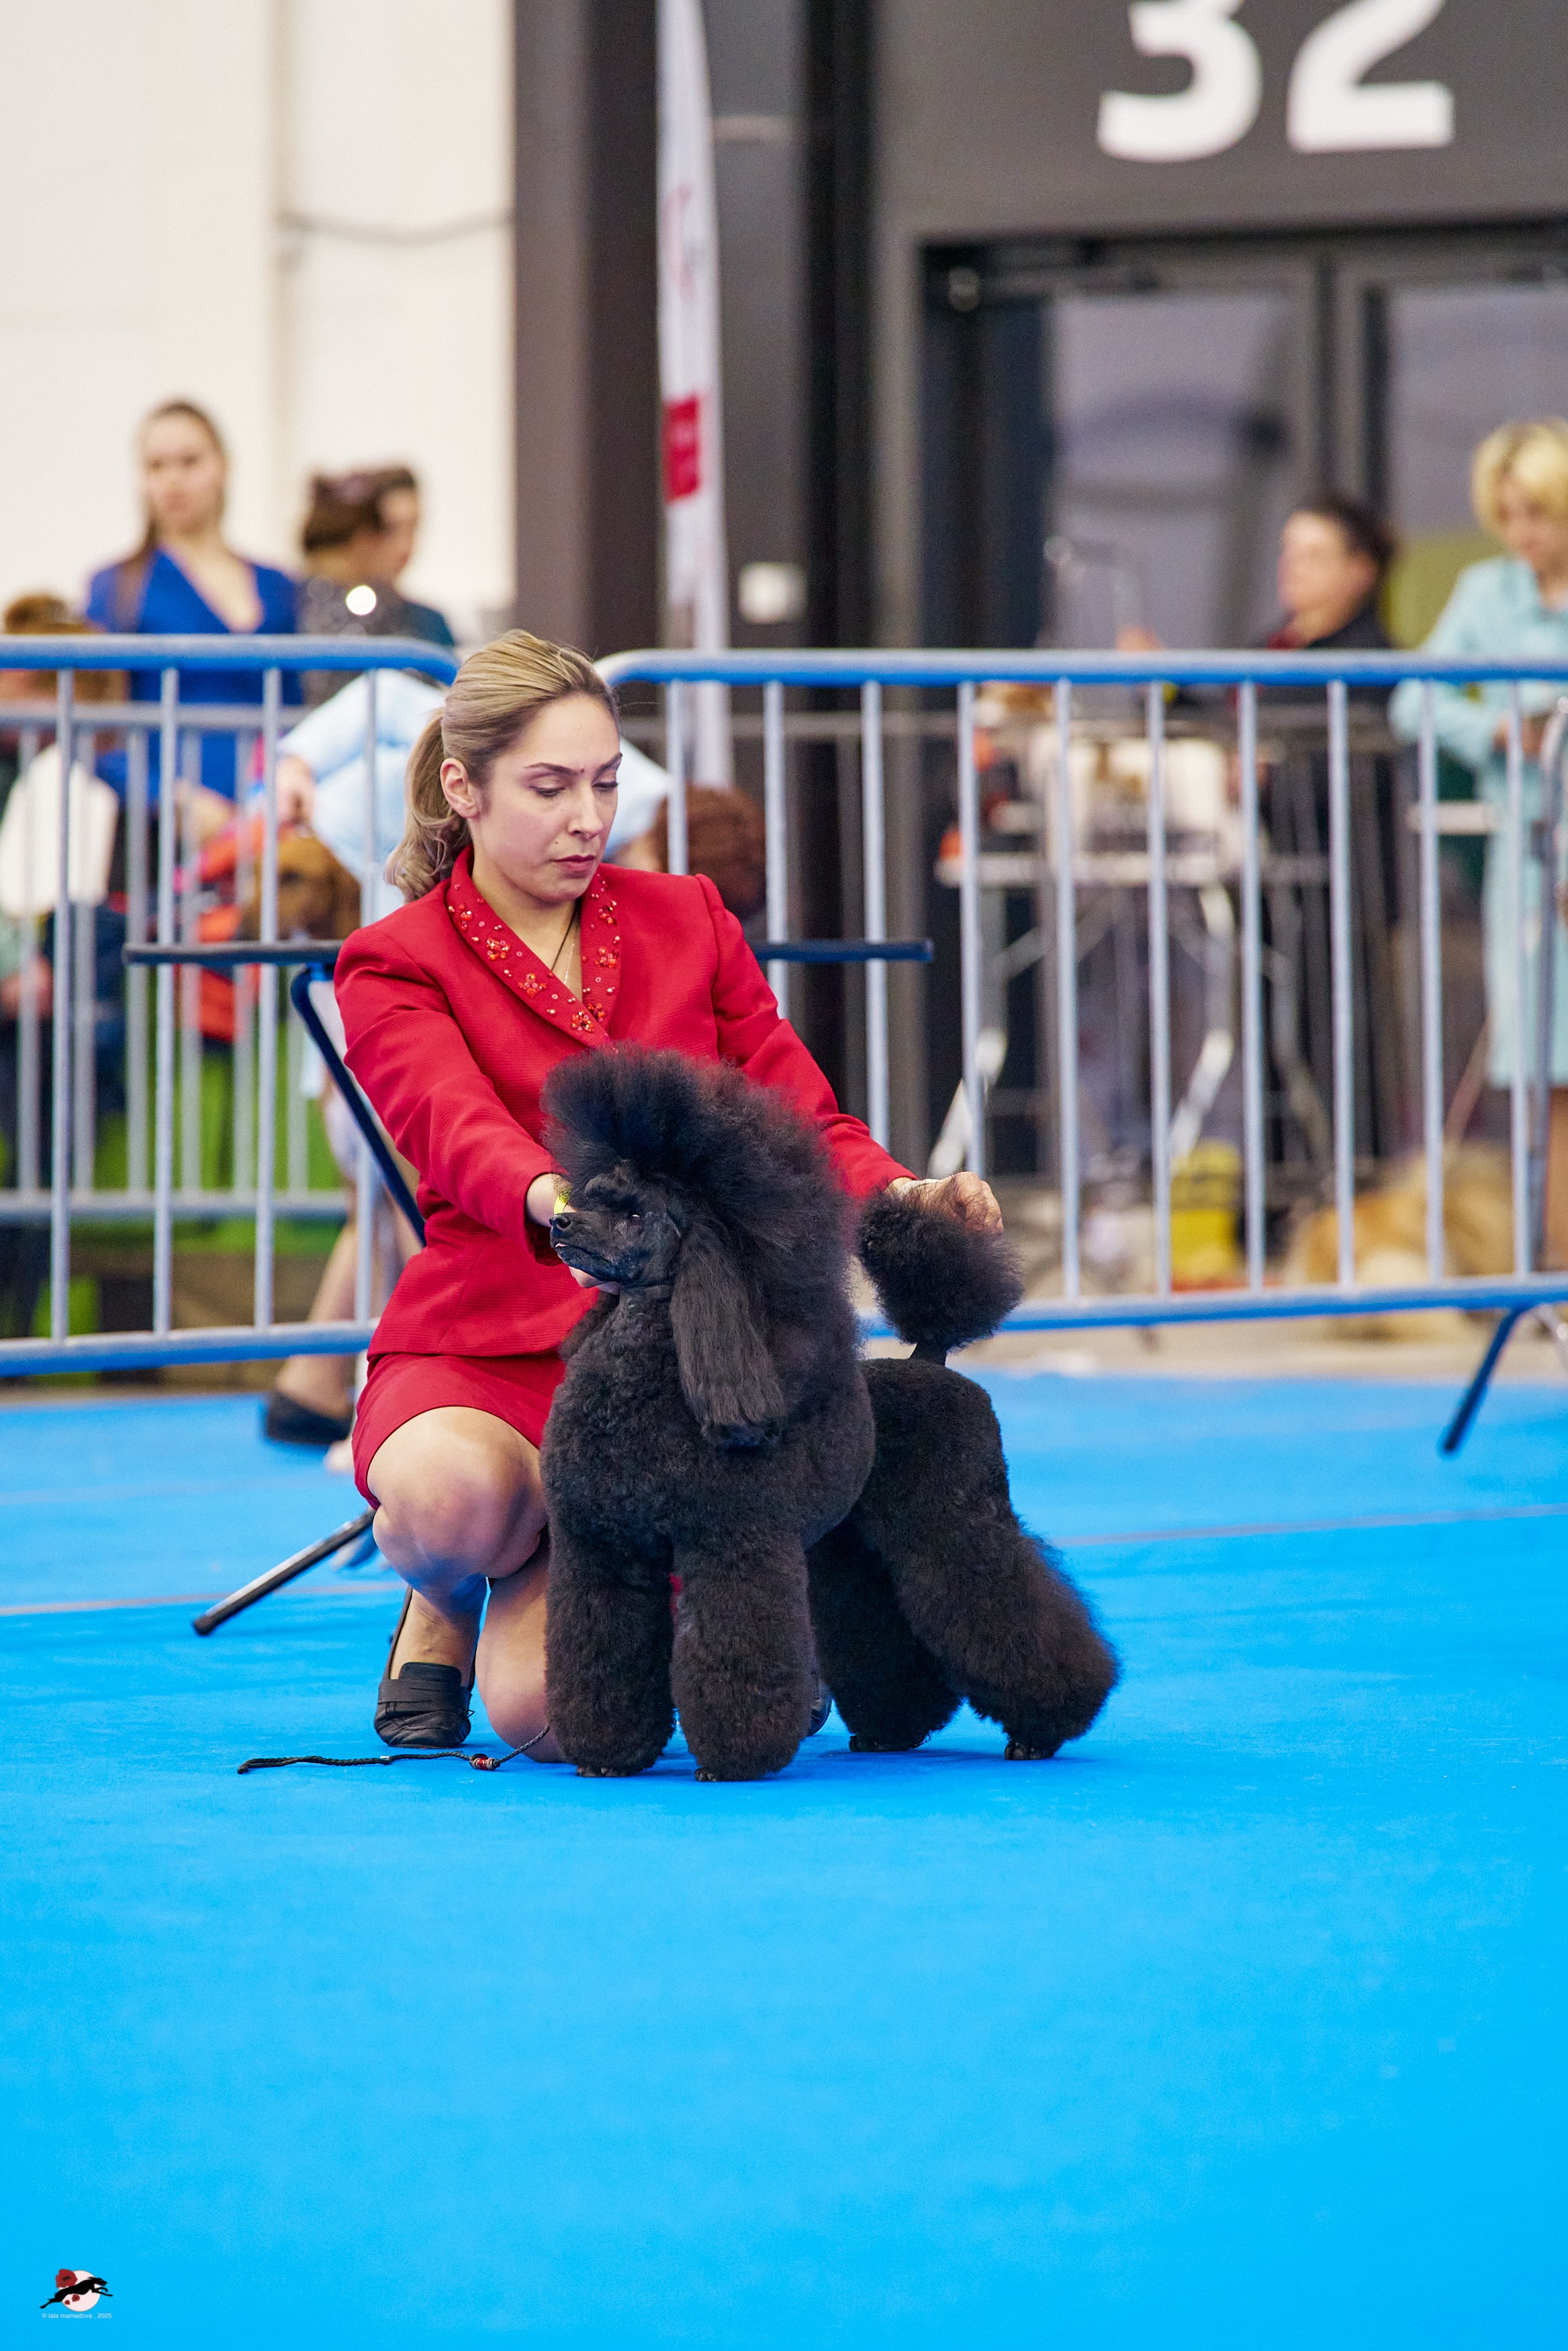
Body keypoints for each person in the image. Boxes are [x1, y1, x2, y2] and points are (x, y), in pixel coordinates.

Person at [334, 630, 1001, 1757]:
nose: (587, 818)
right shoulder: (394, 959)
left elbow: (800, 1116)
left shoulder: (687, 916)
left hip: (684, 1365)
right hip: (489, 1352)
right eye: (550, 787)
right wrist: (555, 1202)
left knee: (550, 1722)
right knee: (453, 1502)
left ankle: (596, 1564)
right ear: (464, 787)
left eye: (604, 783)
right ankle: (441, 1600)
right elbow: (450, 1125)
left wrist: (904, 1191)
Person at [1391, 418, 1568, 1261]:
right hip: (1529, 861)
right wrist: (1502, 732)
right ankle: (1551, 1271)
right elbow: (1411, 698)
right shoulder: (1486, 591)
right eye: (1509, 515)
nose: (1522, 532)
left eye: (1539, 512)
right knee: (1542, 1075)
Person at [85, 400, 297, 833]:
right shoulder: (116, 587)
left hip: (269, 824)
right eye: (156, 466)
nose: (173, 480)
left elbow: (298, 709)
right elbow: (94, 732)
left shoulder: (278, 585)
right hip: (159, 832)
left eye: (189, 462)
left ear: (223, 466)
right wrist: (168, 799)